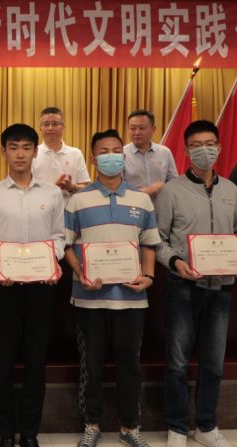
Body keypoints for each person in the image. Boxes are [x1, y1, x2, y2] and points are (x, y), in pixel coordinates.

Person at [154, 120, 237, 447]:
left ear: (220, 148)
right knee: (177, 363)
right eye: (196, 146)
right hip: (182, 287)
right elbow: (157, 239)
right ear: (186, 150)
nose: (204, 151)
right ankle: (177, 427)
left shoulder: (231, 190)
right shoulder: (172, 191)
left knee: (214, 363)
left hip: (221, 288)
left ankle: (206, 426)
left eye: (210, 144)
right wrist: (175, 262)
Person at [63, 129, 160, 447]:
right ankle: (91, 424)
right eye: (103, 151)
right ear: (93, 159)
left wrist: (148, 276)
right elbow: (66, 246)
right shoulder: (78, 200)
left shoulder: (141, 199)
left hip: (131, 299)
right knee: (91, 366)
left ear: (124, 155)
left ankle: (130, 426)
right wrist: (81, 273)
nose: (111, 156)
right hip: (89, 298)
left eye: (117, 150)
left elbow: (148, 243)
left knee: (130, 365)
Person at [0, 124, 65, 447]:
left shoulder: (52, 193)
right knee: (2, 359)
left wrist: (48, 260)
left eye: (26, 147)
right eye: (13, 147)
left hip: (41, 285)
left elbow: (59, 237)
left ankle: (29, 432)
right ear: (3, 152)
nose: (20, 154)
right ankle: (5, 432)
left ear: (35, 152)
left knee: (36, 359)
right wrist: (5, 263)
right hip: (4, 286)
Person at [32, 107, 91, 200]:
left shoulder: (76, 153)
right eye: (46, 124)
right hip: (40, 207)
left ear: (63, 127)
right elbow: (26, 188)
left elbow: (86, 187)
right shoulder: (32, 154)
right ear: (40, 128)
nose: (50, 128)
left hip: (71, 208)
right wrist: (53, 189)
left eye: (55, 124)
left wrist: (71, 187)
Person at [123, 109, 178, 198]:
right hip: (133, 204)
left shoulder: (165, 152)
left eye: (142, 128)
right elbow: (118, 186)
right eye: (132, 128)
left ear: (153, 129)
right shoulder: (122, 154)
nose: (137, 133)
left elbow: (174, 182)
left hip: (161, 204)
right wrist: (148, 191)